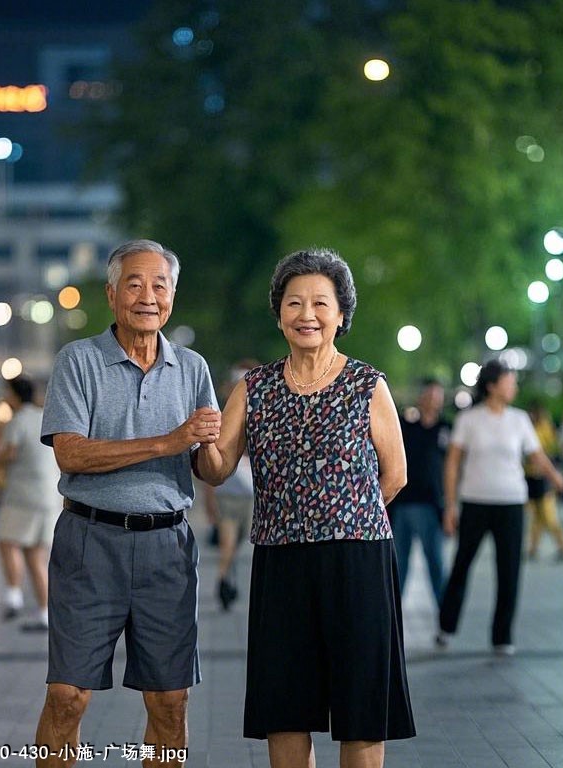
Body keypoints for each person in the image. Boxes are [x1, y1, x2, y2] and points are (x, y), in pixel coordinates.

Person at [197, 248, 415, 768]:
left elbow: (396, 473)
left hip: (356, 561)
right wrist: (201, 440)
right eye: (294, 303)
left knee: (361, 708)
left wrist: (343, 514)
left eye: (321, 302)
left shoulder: (368, 384)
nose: (307, 314)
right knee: (286, 707)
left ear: (341, 314)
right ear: (279, 315)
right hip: (282, 563)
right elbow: (217, 467)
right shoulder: (254, 388)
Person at [36, 239, 220, 768]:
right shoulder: (80, 361)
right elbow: (70, 454)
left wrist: (219, 444)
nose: (148, 296)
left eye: (160, 285)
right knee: (67, 695)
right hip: (89, 542)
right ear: (111, 294)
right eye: (134, 284)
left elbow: (205, 467)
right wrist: (168, 441)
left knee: (170, 700)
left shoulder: (192, 368)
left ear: (173, 296)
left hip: (168, 546)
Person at [438, 360, 563, 655]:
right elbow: (453, 463)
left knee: (509, 570)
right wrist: (450, 505)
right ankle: (446, 626)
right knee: (462, 565)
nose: (514, 386)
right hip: (475, 502)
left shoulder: (520, 419)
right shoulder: (469, 420)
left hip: (511, 502)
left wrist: (556, 476)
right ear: (492, 386)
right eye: (510, 381)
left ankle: (502, 635)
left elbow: (536, 456)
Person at [0, 375, 61, 631]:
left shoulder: (18, 420)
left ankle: (13, 596)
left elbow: (9, 452)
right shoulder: (44, 417)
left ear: (15, 395)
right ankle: (44, 613)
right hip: (51, 496)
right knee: (37, 556)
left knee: (7, 541)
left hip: (23, 497)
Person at [201, 360, 257, 611]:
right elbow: (211, 464)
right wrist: (210, 500)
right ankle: (224, 582)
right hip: (228, 495)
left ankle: (228, 578)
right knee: (228, 542)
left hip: (249, 497)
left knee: (237, 542)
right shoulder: (223, 419)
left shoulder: (260, 419)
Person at [390, 378, 450, 607]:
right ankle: (393, 616)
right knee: (398, 564)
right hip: (402, 503)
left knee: (436, 563)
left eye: (437, 395)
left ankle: (444, 619)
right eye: (429, 394)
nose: (433, 400)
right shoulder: (405, 426)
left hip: (432, 505)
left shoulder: (445, 428)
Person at [525, 403, 563, 561]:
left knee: (549, 515)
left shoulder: (545, 428)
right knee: (536, 516)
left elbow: (548, 450)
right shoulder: (527, 428)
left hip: (544, 476)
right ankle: (533, 548)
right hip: (530, 476)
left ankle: (562, 546)